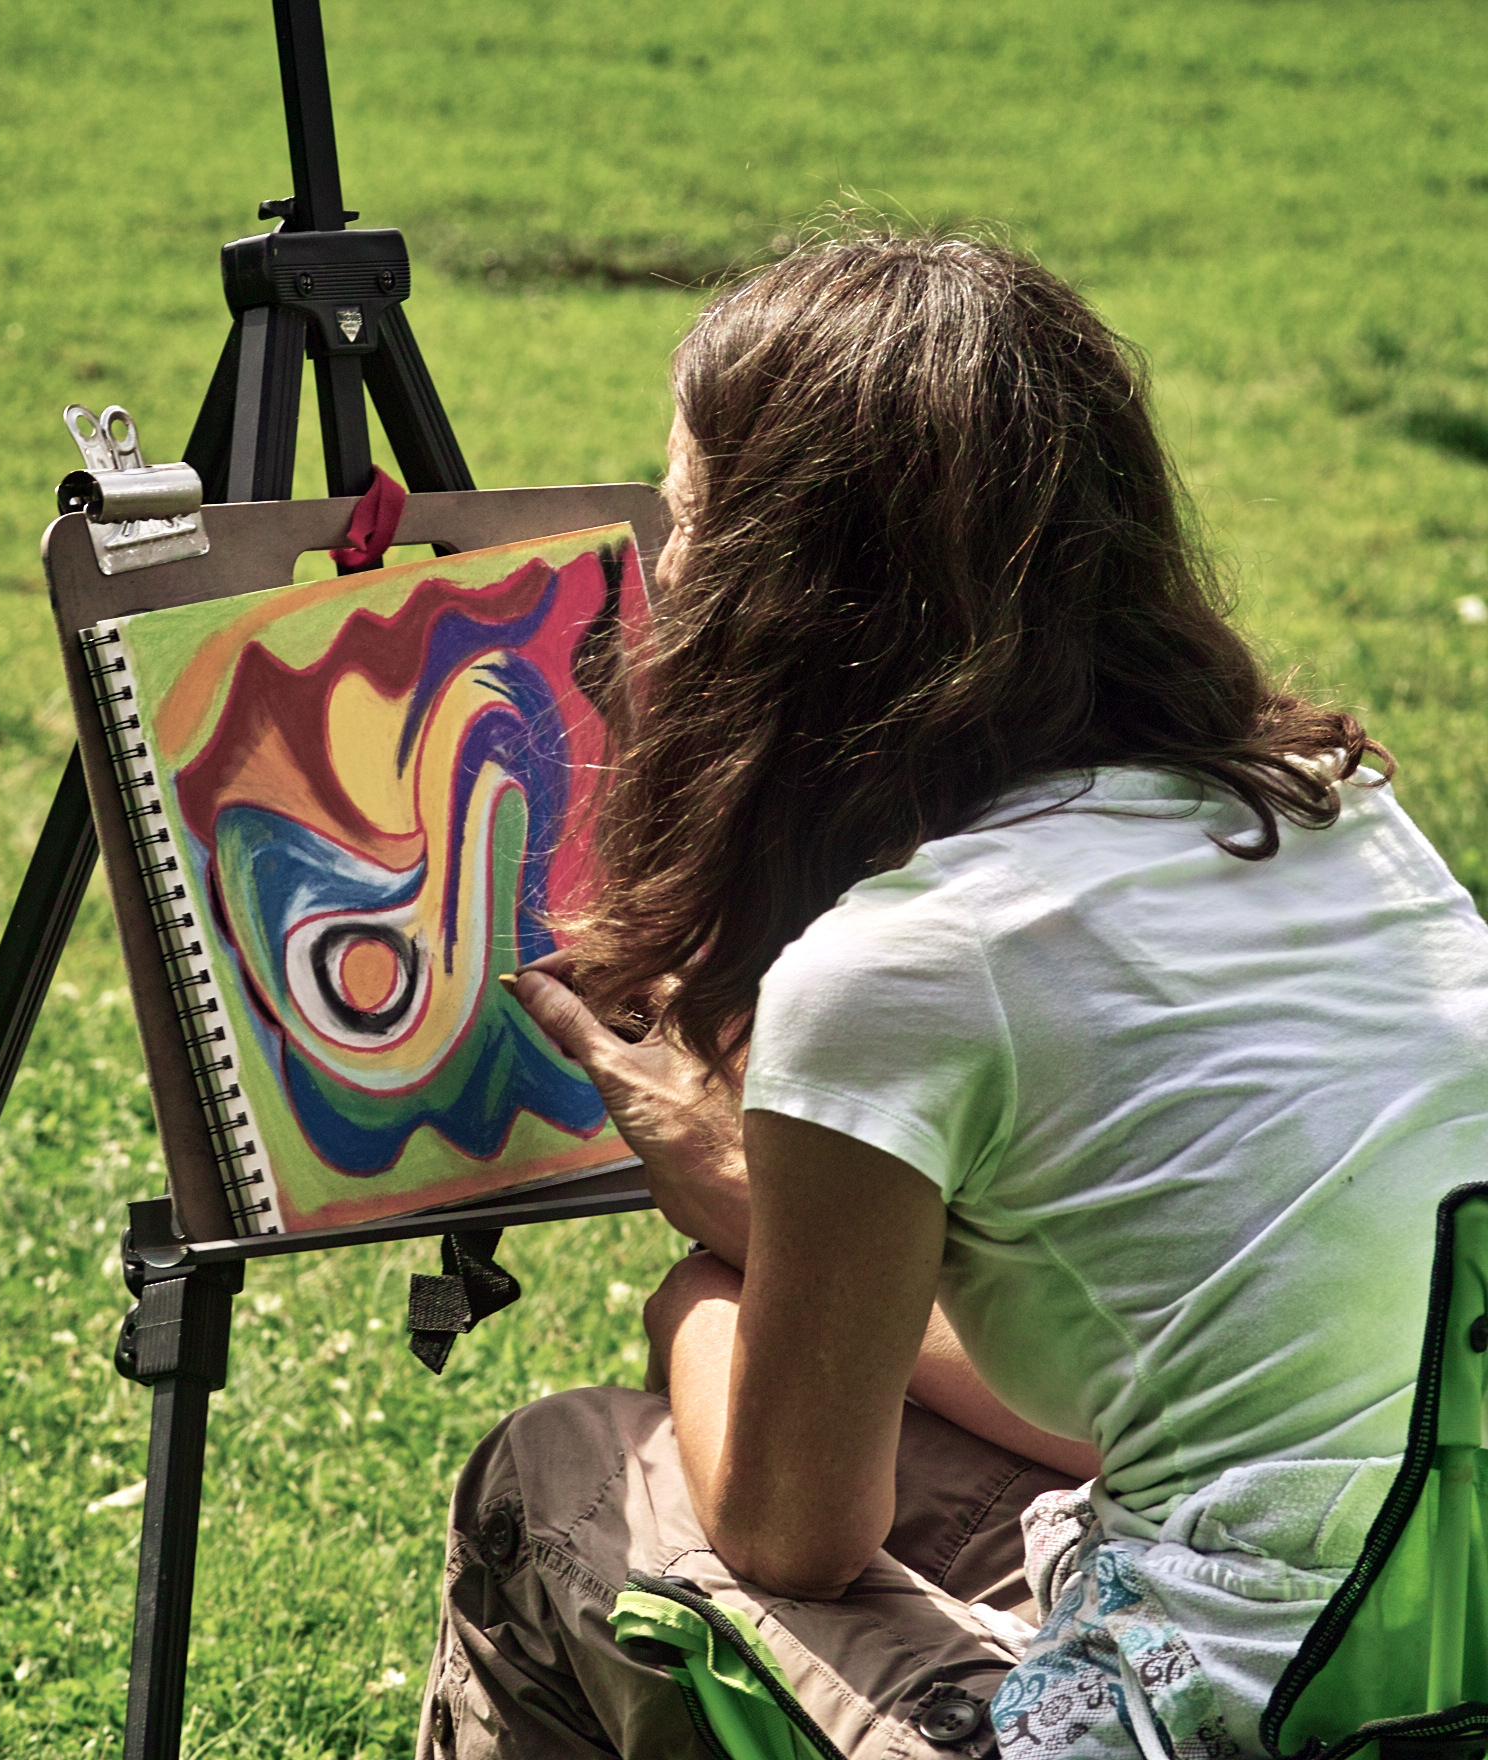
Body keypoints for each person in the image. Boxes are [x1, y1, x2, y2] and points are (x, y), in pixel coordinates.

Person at [415, 235, 1488, 1760]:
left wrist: (710, 1286)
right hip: (1429, 1678)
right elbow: (1136, 1396)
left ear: (790, 600)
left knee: (557, 1470)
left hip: (1189, 1725)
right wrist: (768, 1217)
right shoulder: (1334, 814)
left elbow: (792, 1534)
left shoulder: (901, 970)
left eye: (689, 519)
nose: (661, 574)